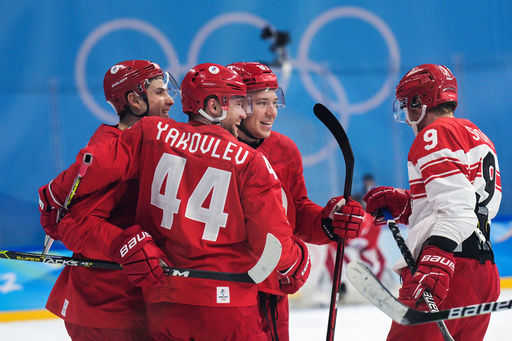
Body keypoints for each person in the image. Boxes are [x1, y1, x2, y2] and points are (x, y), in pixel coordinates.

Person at [52, 62, 333, 341]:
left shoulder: (153, 134)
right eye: (240, 102)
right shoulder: (249, 160)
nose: (245, 112)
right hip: (226, 307)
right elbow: (273, 242)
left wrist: (53, 194)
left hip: (164, 303)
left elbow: (91, 169)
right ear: (213, 106)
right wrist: (296, 259)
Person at [37, 59, 179, 340]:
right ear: (135, 101)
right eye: (160, 92)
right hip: (106, 311)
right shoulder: (110, 154)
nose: (170, 101)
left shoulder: (150, 143)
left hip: (134, 304)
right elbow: (74, 225)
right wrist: (122, 244)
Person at [227, 61, 365, 341]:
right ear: (236, 104)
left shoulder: (284, 150)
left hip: (270, 292)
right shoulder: (207, 147)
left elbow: (296, 212)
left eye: (275, 102)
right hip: (223, 289)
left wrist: (329, 222)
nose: (272, 112)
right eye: (262, 103)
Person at [363, 64, 502, 341]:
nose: (407, 114)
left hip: (450, 269)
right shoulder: (477, 135)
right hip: (484, 273)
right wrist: (409, 204)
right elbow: (475, 206)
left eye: (407, 104)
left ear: (419, 102)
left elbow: (456, 207)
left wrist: (437, 258)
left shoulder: (433, 135)